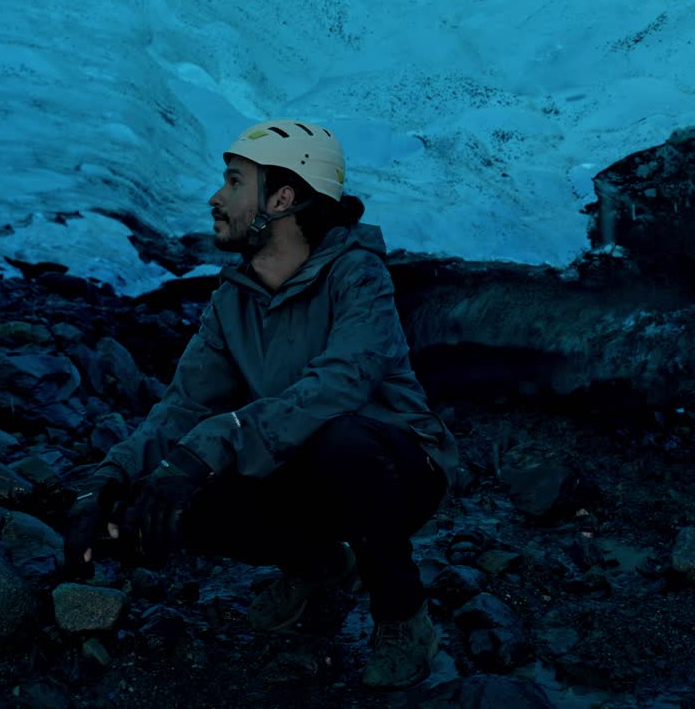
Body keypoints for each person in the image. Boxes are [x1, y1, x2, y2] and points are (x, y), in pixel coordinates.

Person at [64, 119, 458, 690]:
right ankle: (322, 568)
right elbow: (182, 407)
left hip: (398, 467)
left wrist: (215, 442)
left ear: (282, 197)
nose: (216, 199)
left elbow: (339, 384)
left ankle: (403, 619)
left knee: (338, 441)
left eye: (232, 183)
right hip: (296, 460)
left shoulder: (358, 276)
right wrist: (113, 476)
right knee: (168, 493)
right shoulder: (233, 298)